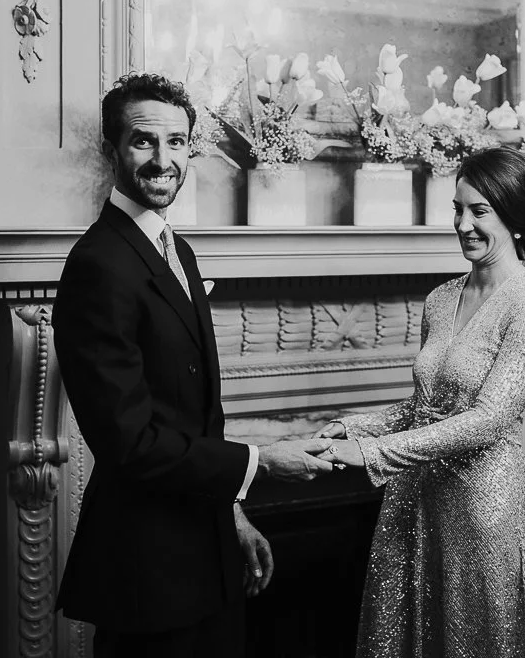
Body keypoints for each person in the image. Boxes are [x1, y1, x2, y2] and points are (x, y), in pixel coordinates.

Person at [52, 73, 336, 658]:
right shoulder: (98, 265)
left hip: (201, 555)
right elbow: (129, 443)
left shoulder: (175, 248)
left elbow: (191, 417)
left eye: (177, 142)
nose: (164, 160)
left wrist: (230, 513)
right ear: (111, 150)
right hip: (147, 573)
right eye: (143, 141)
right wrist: (260, 462)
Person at [314, 146, 525, 657]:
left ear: (515, 217)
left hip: (480, 511)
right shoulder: (442, 298)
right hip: (416, 500)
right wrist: (354, 427)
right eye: (457, 209)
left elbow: (487, 420)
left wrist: (372, 454)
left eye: (479, 211)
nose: (462, 224)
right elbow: (425, 407)